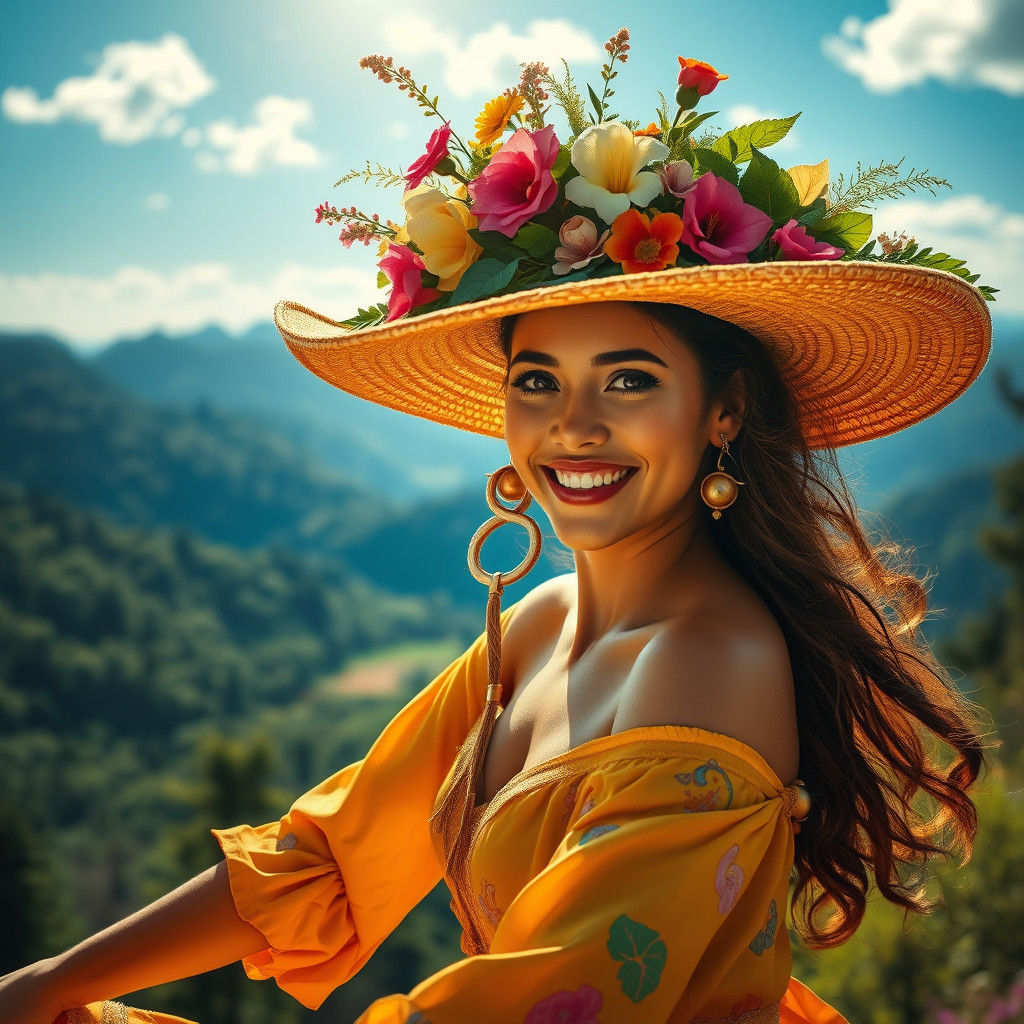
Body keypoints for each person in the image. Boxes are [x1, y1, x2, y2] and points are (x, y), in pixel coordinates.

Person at [0, 35, 999, 1024]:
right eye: (536, 382)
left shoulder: (710, 663)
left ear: (724, 411)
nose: (573, 425)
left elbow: (538, 1001)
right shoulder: (534, 626)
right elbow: (330, 855)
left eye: (629, 379)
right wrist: (54, 982)